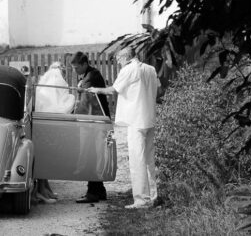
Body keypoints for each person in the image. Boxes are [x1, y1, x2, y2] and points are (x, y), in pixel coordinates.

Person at [80, 46, 160, 209]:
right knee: (149, 160)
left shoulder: (129, 69)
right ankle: (153, 196)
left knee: (137, 160)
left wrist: (96, 89)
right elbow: (157, 90)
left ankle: (141, 200)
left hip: (136, 120)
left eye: (118, 60)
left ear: (124, 57)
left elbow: (113, 90)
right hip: (149, 119)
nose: (118, 63)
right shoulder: (150, 69)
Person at [69, 51, 110, 203]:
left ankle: (92, 193)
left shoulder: (91, 76)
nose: (75, 71)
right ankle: (99, 191)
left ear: (85, 64)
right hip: (94, 121)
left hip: (96, 122)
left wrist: (79, 87)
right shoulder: (88, 75)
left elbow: (83, 90)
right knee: (94, 154)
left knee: (91, 155)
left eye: (76, 67)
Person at [33, 61, 75, 202]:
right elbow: (63, 99)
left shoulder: (45, 79)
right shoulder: (58, 79)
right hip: (49, 121)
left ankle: (45, 189)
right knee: (44, 158)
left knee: (41, 157)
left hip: (39, 121)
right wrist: (73, 99)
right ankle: (40, 192)